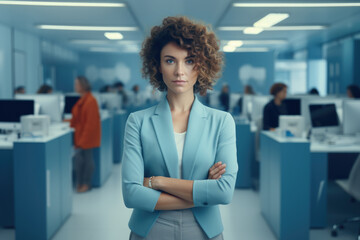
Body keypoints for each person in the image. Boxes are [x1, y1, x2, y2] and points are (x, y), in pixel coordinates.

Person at [122, 16, 238, 240]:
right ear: (157, 66)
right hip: (150, 228)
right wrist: (203, 191)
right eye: (170, 60)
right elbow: (132, 195)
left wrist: (157, 182)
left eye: (189, 60)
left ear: (202, 65)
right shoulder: (138, 122)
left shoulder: (222, 121)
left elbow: (224, 192)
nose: (179, 72)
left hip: (204, 229)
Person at [70, 76, 101, 193]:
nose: (75, 86)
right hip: (80, 136)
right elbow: (76, 119)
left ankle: (86, 184)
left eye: (77, 84)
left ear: (83, 85)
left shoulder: (90, 101)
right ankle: (81, 183)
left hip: (86, 138)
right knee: (80, 161)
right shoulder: (82, 100)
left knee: (86, 161)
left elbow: (90, 124)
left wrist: (82, 141)